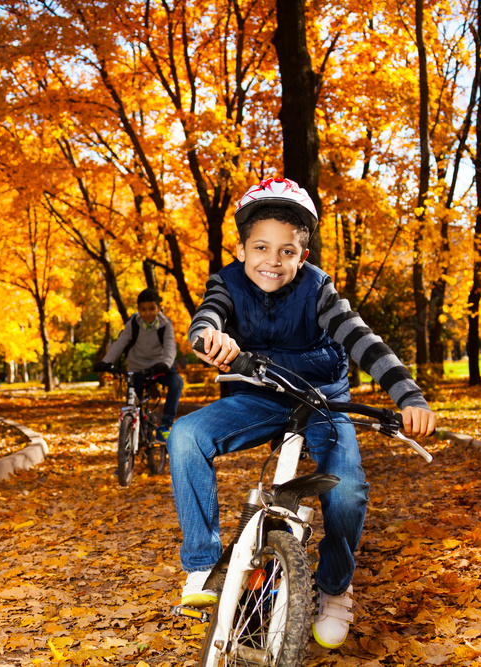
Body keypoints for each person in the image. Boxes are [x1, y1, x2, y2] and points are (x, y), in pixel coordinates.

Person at [167, 177, 437, 649]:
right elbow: (207, 317)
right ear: (241, 248)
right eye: (261, 247)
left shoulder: (318, 291)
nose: (273, 261)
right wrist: (211, 337)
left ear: (302, 256)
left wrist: (408, 396)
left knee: (347, 488)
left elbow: (363, 341)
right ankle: (203, 566)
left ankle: (335, 588)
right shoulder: (226, 283)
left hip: (321, 400)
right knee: (186, 435)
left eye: (287, 251)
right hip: (261, 396)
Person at [94, 289, 183, 443]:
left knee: (177, 382)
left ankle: (165, 426)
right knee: (134, 404)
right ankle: (131, 440)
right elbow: (121, 342)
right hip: (136, 368)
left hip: (158, 367)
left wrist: (166, 364)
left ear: (158, 308)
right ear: (138, 310)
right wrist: (107, 362)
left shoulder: (165, 325)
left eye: (151, 309)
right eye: (143, 309)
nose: (147, 313)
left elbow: (170, 346)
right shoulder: (133, 323)